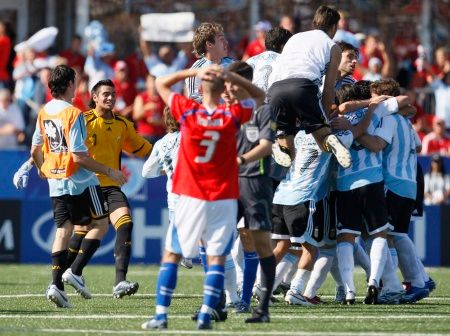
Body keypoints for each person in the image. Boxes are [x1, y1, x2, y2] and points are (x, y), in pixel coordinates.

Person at [140, 64, 264, 330]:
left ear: (202, 87)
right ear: (222, 88)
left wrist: (191, 73)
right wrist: (230, 76)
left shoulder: (189, 111)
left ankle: (161, 315)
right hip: (223, 196)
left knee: (172, 255)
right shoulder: (231, 114)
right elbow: (260, 96)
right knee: (217, 257)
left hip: (190, 195)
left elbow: (161, 82)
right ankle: (206, 316)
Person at [30, 64, 125, 308]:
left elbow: (35, 149)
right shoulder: (73, 113)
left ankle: (56, 284)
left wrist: (43, 169)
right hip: (82, 181)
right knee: (101, 224)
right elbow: (79, 156)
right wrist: (109, 171)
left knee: (64, 230)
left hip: (56, 181)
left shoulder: (44, 111)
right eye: (76, 80)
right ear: (70, 84)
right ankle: (74, 272)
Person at [66, 79, 152, 299]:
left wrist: (170, 150)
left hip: (112, 187)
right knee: (84, 230)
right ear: (94, 97)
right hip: (86, 186)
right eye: (105, 94)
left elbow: (142, 148)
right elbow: (71, 153)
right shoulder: (82, 121)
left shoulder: (122, 124)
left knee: (125, 223)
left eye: (113, 94)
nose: (110, 98)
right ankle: (66, 276)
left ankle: (119, 282)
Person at [222, 61, 276, 322]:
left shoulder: (263, 109)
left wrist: (241, 160)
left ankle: (262, 308)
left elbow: (266, 146)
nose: (228, 87)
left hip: (255, 182)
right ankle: (216, 303)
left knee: (261, 244)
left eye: (232, 82)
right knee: (218, 242)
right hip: (229, 184)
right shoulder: (229, 111)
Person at [267, 5, 351, 170]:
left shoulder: (295, 38)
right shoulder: (333, 47)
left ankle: (275, 146)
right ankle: (329, 140)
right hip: (303, 87)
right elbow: (328, 89)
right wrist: (324, 120)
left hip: (275, 89)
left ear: (314, 22)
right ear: (334, 27)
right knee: (323, 141)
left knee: (288, 155)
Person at [186, 22, 234, 102]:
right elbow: (193, 99)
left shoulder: (233, 64)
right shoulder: (196, 69)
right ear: (209, 44)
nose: (226, 42)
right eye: (221, 39)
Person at [246, 27, 292, 93]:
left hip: (250, 101)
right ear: (283, 46)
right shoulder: (286, 61)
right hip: (273, 101)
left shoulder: (249, 61)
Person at [132, 74, 166, 144]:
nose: (152, 85)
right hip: (145, 135)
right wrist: (146, 108)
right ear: (146, 84)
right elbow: (135, 116)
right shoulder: (141, 97)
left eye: (154, 82)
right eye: (150, 83)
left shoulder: (162, 98)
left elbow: (168, 121)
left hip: (160, 136)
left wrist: (158, 122)